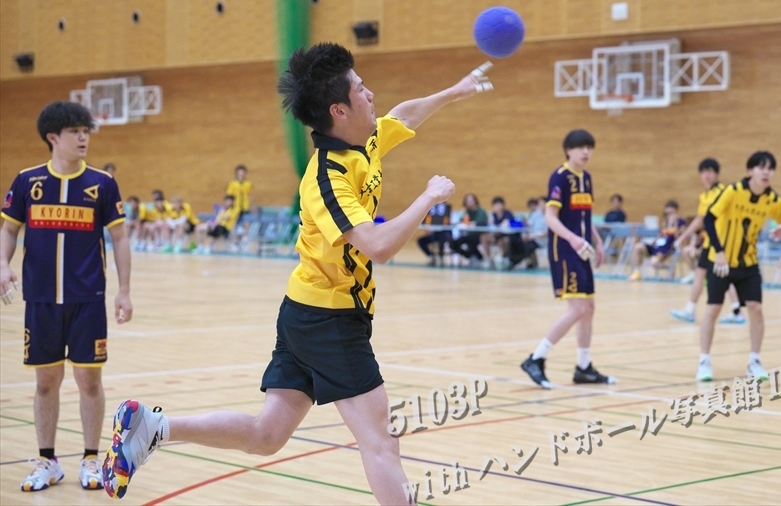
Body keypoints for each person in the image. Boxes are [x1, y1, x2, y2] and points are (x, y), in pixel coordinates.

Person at [101, 44, 492, 504]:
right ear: (338, 110)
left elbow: (404, 115)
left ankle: (153, 426)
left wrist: (455, 91)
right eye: (361, 88)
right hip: (330, 319)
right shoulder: (327, 178)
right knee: (381, 442)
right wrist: (427, 197)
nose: (371, 94)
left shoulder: (363, 141)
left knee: (266, 435)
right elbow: (379, 246)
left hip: (305, 312)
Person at [0, 101, 133, 492]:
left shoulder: (102, 184)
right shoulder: (27, 181)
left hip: (87, 300)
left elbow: (120, 238)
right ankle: (48, 461)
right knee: (46, 382)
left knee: (89, 381)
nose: (83, 137)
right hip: (40, 300)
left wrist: (124, 291)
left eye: (85, 131)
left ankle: (91, 459)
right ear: (53, 137)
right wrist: (3, 264)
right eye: (75, 131)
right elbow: (9, 229)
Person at [520, 129, 615, 389]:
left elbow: (585, 216)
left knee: (589, 308)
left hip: (582, 249)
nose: (586, 152)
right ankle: (535, 358)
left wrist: (597, 241)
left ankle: (583, 367)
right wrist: (572, 239)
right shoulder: (560, 177)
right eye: (580, 147)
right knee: (578, 308)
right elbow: (550, 218)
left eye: (589, 147)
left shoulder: (587, 178)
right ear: (568, 150)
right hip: (564, 250)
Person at [696, 151, 781, 381]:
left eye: (770, 168)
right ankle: (704, 361)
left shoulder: (773, 200)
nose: (766, 172)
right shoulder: (733, 191)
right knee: (713, 309)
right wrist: (719, 251)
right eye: (761, 167)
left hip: (748, 264)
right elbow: (709, 218)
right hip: (721, 262)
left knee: (756, 308)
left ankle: (754, 360)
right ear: (750, 171)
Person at [669, 159, 744, 324]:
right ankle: (690, 310)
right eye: (703, 172)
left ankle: (737, 312)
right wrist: (683, 236)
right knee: (700, 274)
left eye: (710, 171)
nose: (706, 175)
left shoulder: (723, 192)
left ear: (716, 174)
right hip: (710, 243)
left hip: (723, 244)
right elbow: (700, 219)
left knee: (724, 276)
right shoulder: (704, 196)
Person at [629, 200, 686, 280]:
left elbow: (679, 237)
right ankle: (637, 272)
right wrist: (653, 241)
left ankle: (670, 267)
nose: (669, 215)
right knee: (637, 247)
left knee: (654, 263)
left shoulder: (681, 222)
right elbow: (660, 235)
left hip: (666, 248)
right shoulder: (665, 222)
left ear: (675, 211)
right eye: (667, 213)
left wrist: (675, 223)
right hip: (656, 246)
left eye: (671, 213)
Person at [450, 193, 488, 265]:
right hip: (468, 234)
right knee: (453, 244)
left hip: (479, 235)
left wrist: (471, 223)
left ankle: (479, 257)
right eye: (467, 201)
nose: (469, 203)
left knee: (471, 242)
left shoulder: (480, 211)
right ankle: (470, 256)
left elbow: (480, 223)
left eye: (471, 201)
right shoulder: (466, 212)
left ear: (475, 201)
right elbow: (461, 221)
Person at [226, 165, 253, 251]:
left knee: (246, 224)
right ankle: (235, 242)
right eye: (239, 172)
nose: (241, 174)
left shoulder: (248, 183)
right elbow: (229, 196)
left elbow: (250, 195)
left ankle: (245, 240)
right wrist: (229, 206)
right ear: (237, 173)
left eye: (243, 172)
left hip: (245, 206)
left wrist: (251, 205)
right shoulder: (232, 183)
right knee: (235, 226)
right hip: (235, 207)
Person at [417, 202, 451, 266]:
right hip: (433, 233)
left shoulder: (447, 207)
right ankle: (431, 256)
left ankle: (441, 258)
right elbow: (426, 220)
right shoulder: (430, 207)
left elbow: (447, 221)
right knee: (421, 241)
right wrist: (428, 229)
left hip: (443, 233)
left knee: (441, 239)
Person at [522, 196, 548, 269]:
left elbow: (547, 233)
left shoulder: (550, 215)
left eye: (542, 204)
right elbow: (529, 225)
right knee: (520, 242)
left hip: (544, 240)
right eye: (539, 204)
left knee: (529, 245)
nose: (540, 206)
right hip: (534, 238)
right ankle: (530, 262)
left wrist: (534, 236)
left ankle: (527, 262)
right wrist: (526, 234)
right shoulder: (536, 214)